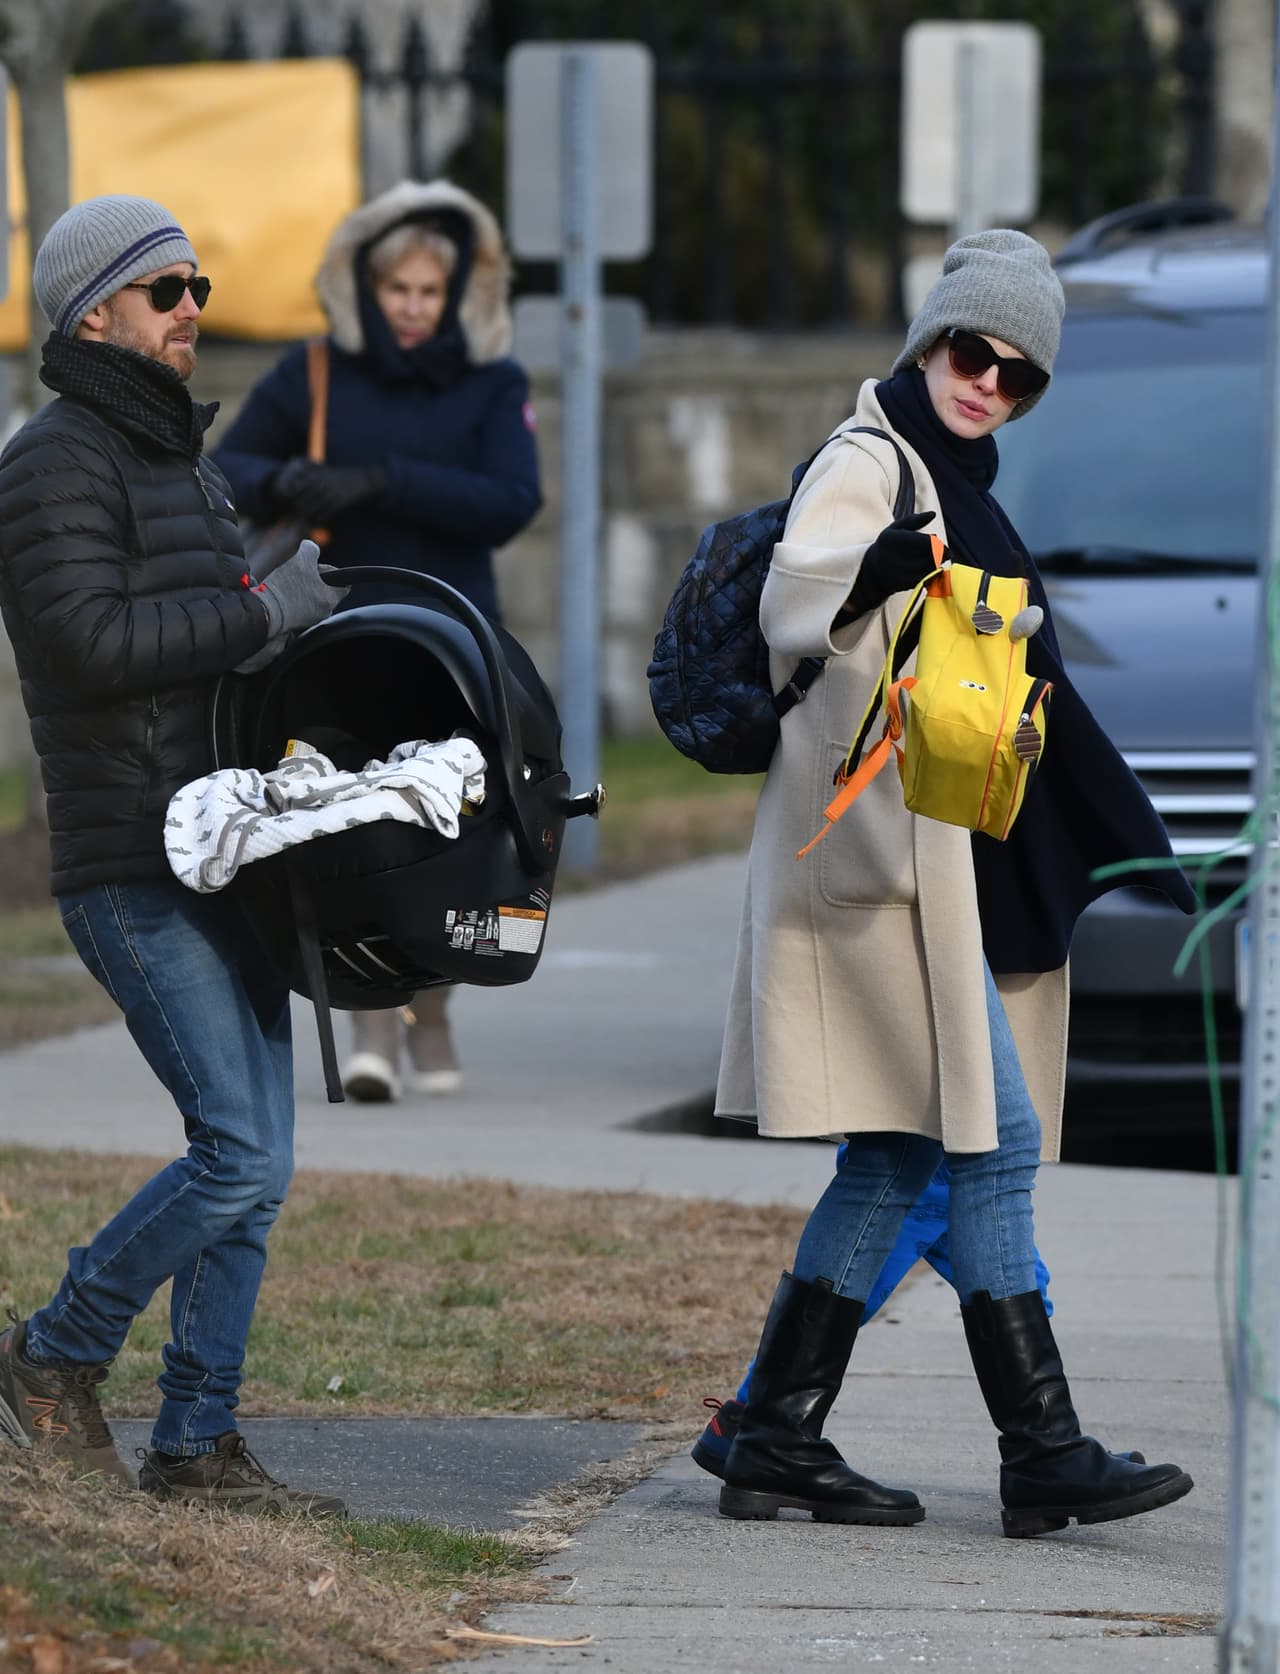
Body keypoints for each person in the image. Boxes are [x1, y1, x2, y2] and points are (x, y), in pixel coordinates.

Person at [711, 230, 1197, 1538]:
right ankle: (1039, 1449)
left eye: (1016, 372)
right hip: (873, 868)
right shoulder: (873, 460)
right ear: (926, 341)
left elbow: (1032, 692)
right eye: (968, 351)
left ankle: (771, 1437)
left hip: (928, 872)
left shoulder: (958, 479)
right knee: (991, 1143)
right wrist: (866, 584)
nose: (987, 380)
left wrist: (1142, 840)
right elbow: (796, 602)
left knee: (902, 1152)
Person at [0, 195, 347, 1514]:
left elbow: (215, 641)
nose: (193, 304)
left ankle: (196, 1447)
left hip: (226, 852)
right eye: (166, 290)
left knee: (259, 1170)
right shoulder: (49, 462)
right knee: (238, 1151)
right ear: (97, 312)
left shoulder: (172, 456)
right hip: (130, 866)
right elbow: (92, 645)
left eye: (195, 282)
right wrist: (259, 608)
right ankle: (50, 1349)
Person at [216, 180, 541, 1105]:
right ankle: (370, 1023)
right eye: (395, 289)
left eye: (428, 293)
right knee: (346, 825)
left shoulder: (492, 383)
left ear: (457, 297)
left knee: (447, 831)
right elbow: (225, 470)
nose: (410, 308)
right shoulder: (315, 369)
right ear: (365, 286)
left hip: (449, 645)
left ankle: (429, 1013)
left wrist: (383, 482)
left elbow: (511, 501)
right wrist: (292, 475)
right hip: (336, 643)